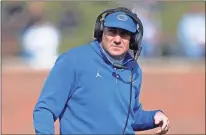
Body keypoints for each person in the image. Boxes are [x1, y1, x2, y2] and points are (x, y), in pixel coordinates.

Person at [33, 7, 170, 134]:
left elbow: (129, 117)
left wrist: (154, 117)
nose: (117, 39)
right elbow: (45, 109)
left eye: (124, 34)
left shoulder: (133, 69)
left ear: (133, 40)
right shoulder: (73, 61)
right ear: (101, 33)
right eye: (112, 32)